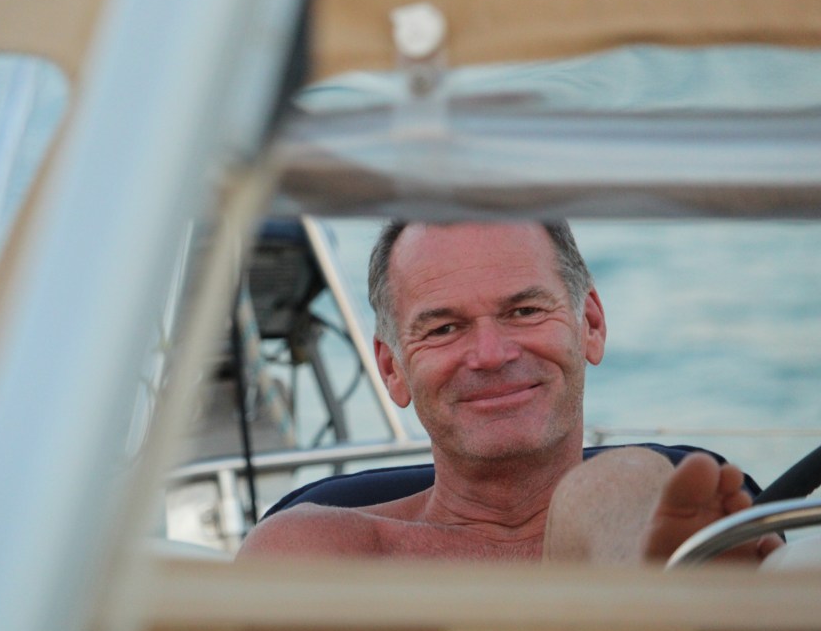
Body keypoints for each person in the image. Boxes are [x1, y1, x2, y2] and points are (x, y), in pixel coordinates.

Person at [237, 220, 782, 563]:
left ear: (591, 325)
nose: (491, 354)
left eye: (524, 311)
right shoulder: (324, 554)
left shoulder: (680, 513)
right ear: (392, 369)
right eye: (444, 328)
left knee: (619, 483)